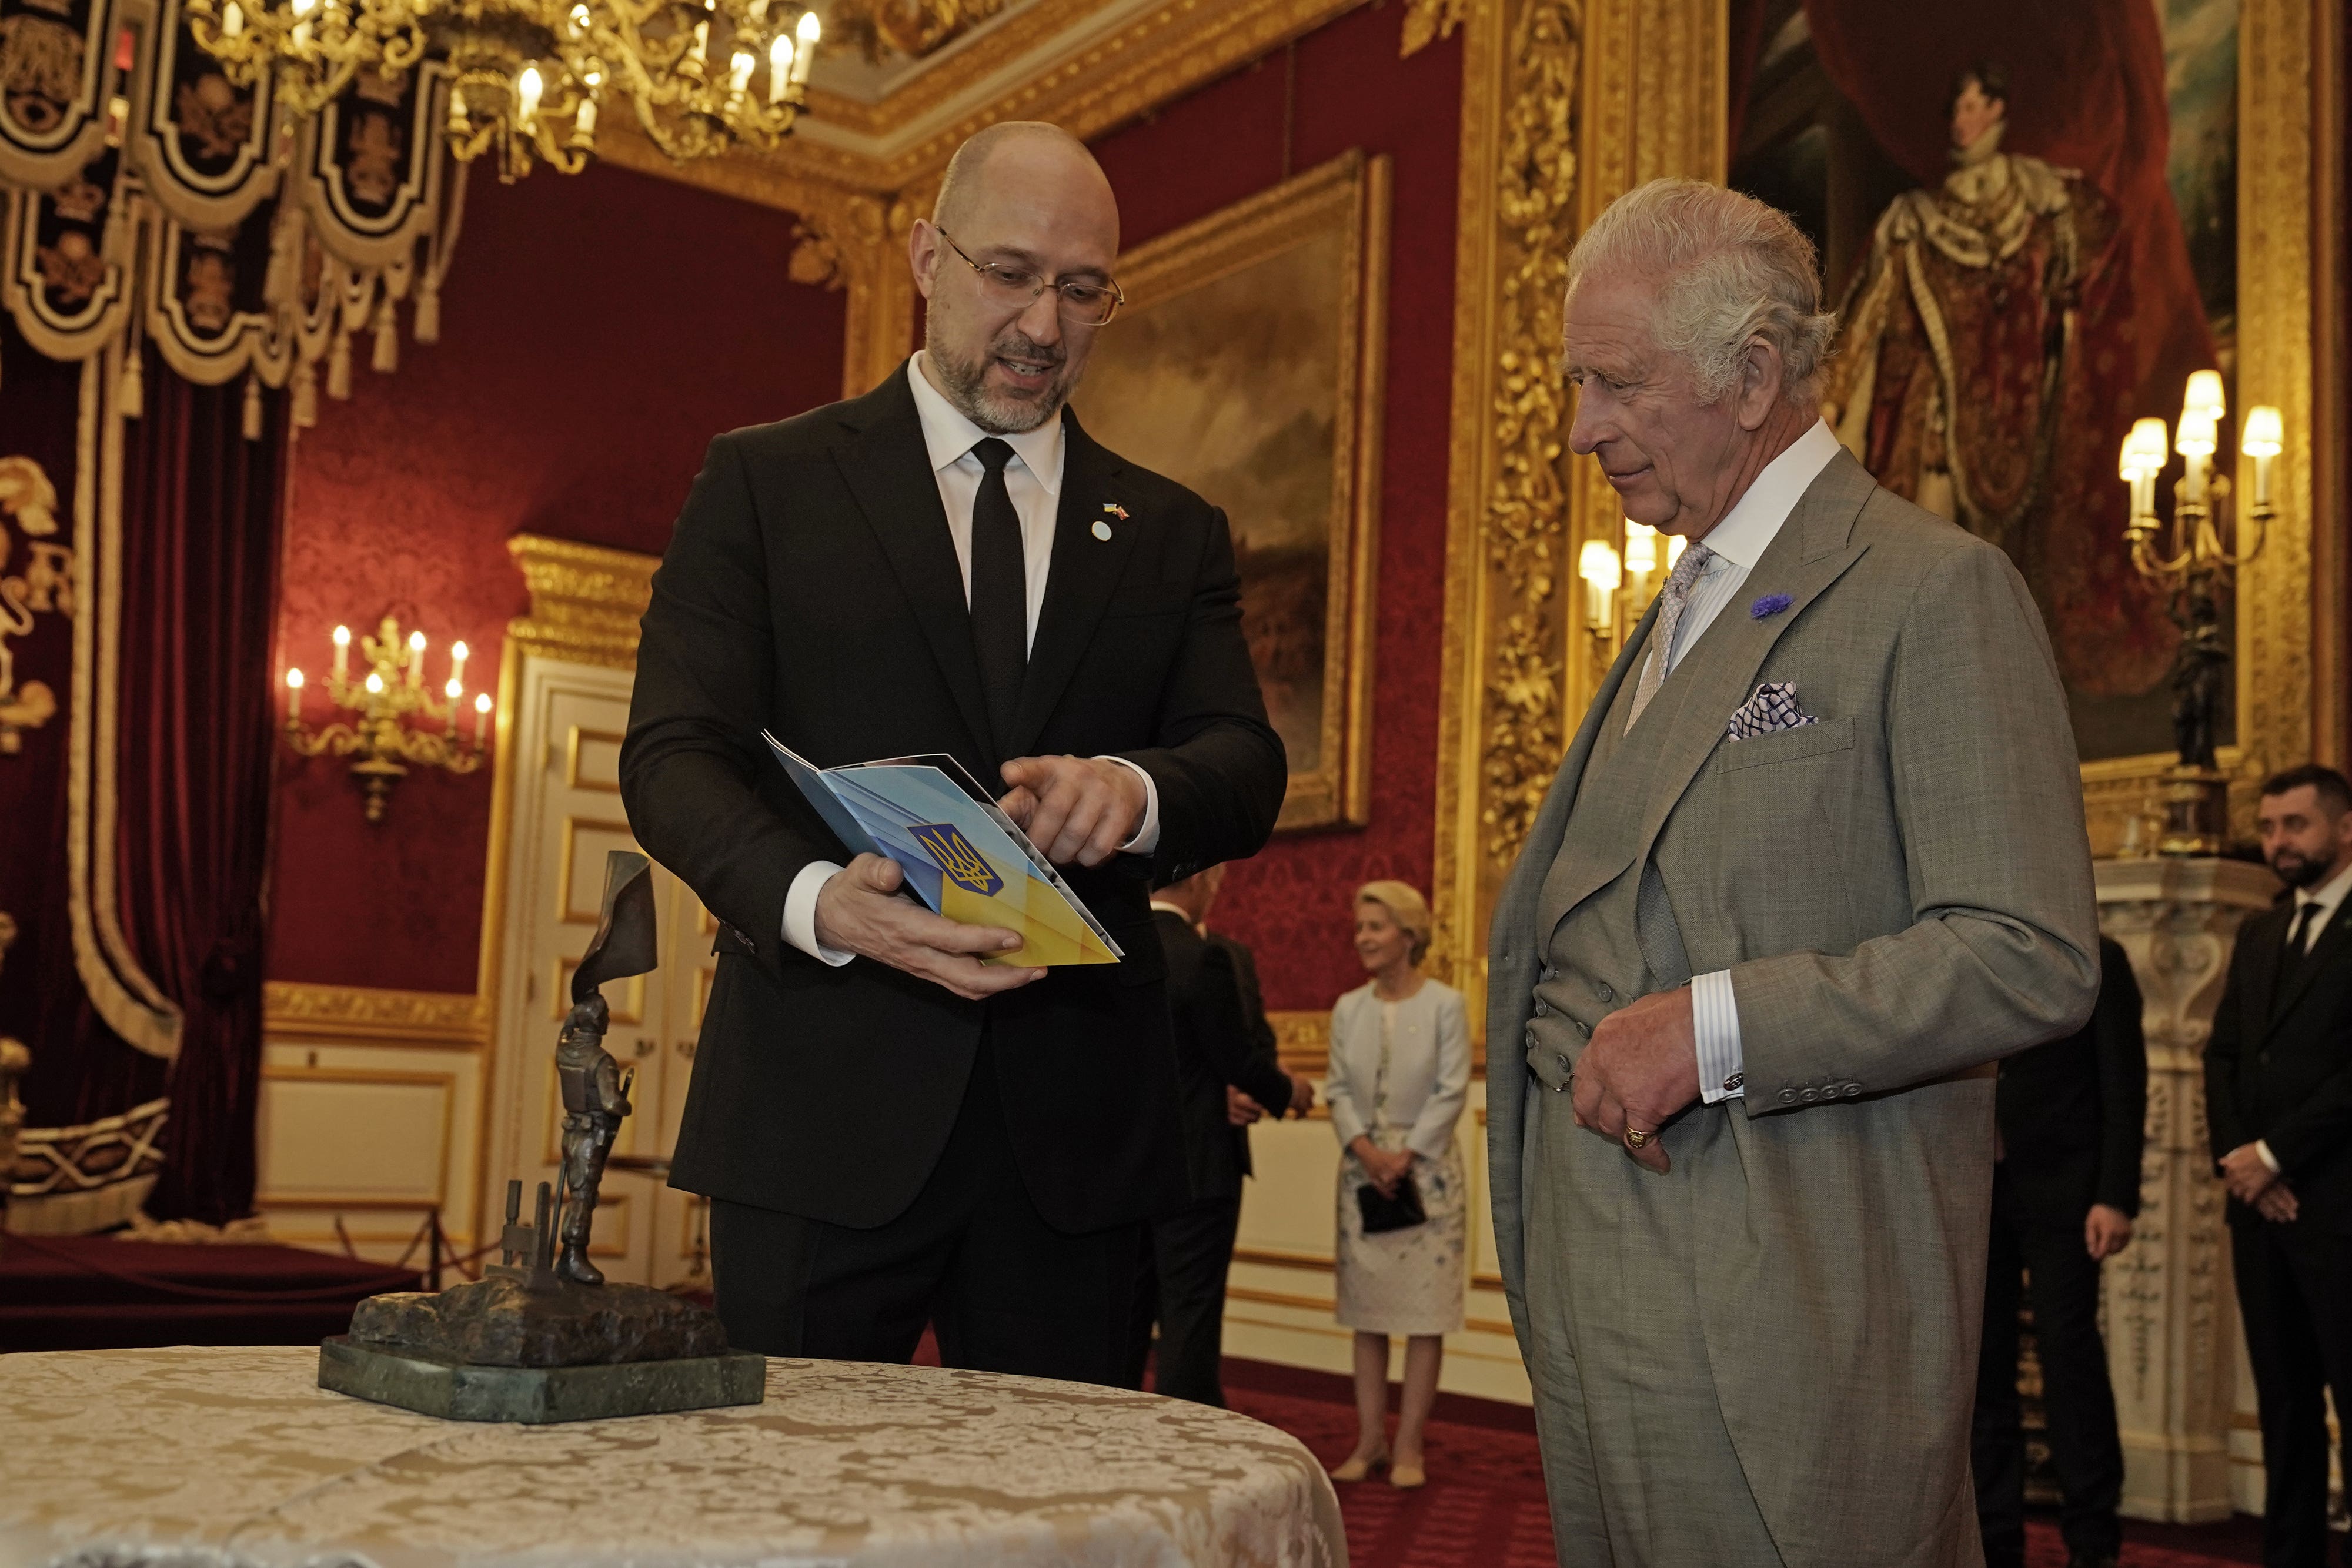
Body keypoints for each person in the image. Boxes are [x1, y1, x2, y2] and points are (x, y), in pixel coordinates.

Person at [1487, 178, 2099, 1567]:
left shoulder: (1931, 591)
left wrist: (1712, 1030)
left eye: (1616, 385)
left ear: (1751, 375)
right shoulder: (1676, 604)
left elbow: (2026, 950)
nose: (1581, 428)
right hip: (1597, 1296)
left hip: (1785, 1333)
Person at [620, 121, 1287, 1385]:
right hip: (819, 1105)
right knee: (789, 1514)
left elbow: (1242, 761)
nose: (1043, 322)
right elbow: (670, 754)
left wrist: (1134, 791)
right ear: (928, 257)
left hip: (1077, 1139)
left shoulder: (1166, 531)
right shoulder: (767, 485)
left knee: (1052, 1516)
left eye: (1082, 289)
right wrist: (820, 903)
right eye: (1010, 273)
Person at [2204, 764, 2352, 1568]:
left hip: (2337, 1206)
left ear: (2345, 828)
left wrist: (2275, 1154)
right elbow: (2223, 1052)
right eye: (2268, 827)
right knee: (2285, 1406)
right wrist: (2240, 1162)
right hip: (2261, 1210)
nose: (2278, 842)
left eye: (2295, 824)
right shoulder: (2261, 930)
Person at [1973, 934, 2146, 1568]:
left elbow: (2125, 1084)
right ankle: (1995, 1542)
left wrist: (2115, 1196)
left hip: (2068, 1198)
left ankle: (2092, 1540)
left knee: (2069, 1364)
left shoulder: (2100, 957)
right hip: (1974, 1195)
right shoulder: (1971, 954)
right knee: (1981, 1375)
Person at [1127, 863, 1314, 1405]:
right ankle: (1187, 1433)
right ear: (1199, 880)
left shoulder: (1112, 950)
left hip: (1130, 1167)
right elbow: (1235, 1056)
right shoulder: (1200, 955)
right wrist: (1290, 1092)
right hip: (1198, 1166)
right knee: (1191, 1315)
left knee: (1130, 1312)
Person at [1325, 880, 1470, 1492]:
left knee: (1425, 1315)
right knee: (1368, 1316)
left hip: (1428, 1174)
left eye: (1376, 927)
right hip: (1362, 1172)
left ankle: (1409, 1445)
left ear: (1408, 935)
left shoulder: (1445, 1004)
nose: (1363, 938)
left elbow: (1452, 1087)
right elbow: (1335, 1089)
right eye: (1359, 928)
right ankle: (1369, 1442)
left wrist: (1405, 1155)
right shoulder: (1346, 1008)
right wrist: (1366, 1150)